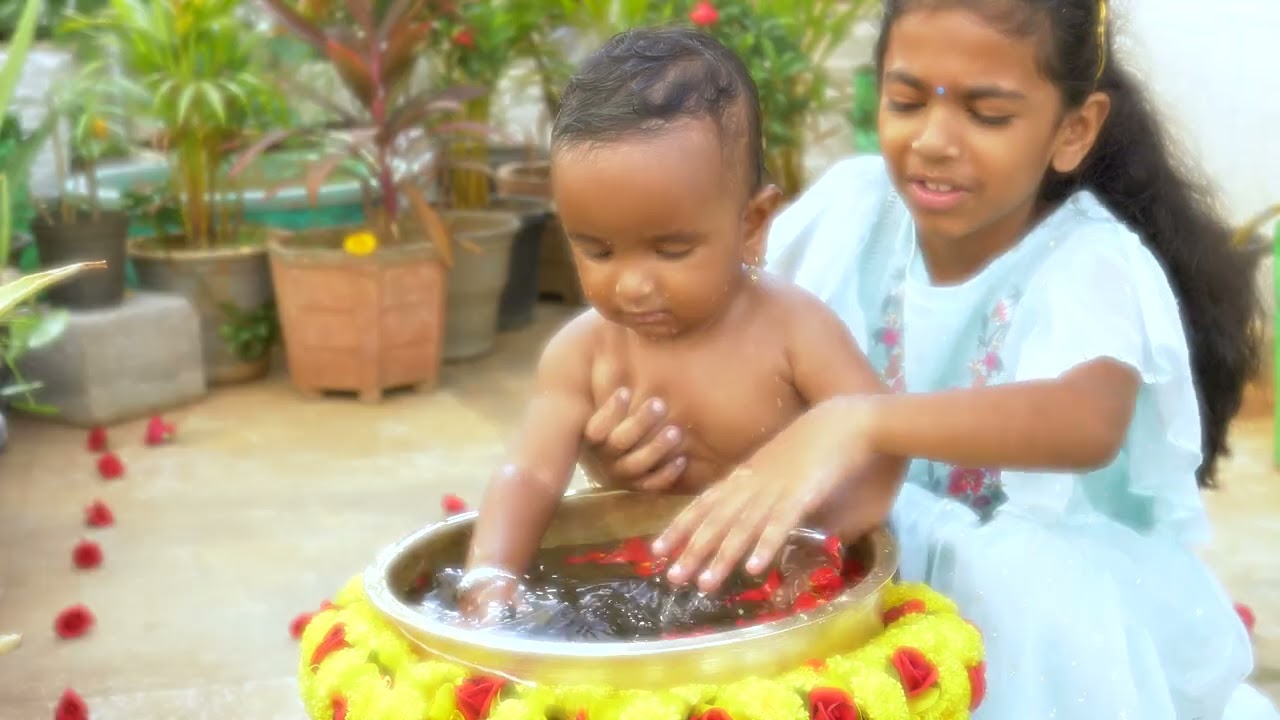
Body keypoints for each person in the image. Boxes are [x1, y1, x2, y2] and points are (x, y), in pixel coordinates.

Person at [582, 1, 1280, 717]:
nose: (934, 141)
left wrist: (860, 422)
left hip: (1032, 631)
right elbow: (703, 329)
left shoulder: (1091, 261)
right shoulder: (851, 211)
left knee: (1024, 586)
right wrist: (638, 438)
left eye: (987, 114)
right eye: (907, 101)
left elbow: (1086, 420)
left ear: (1073, 130)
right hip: (857, 564)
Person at [455, 27, 891, 619]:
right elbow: (530, 473)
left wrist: (817, 542)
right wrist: (490, 577)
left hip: (784, 584)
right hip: (646, 579)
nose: (632, 285)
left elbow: (880, 444)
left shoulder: (795, 331)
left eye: (671, 249)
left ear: (752, 224)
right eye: (598, 250)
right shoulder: (582, 354)